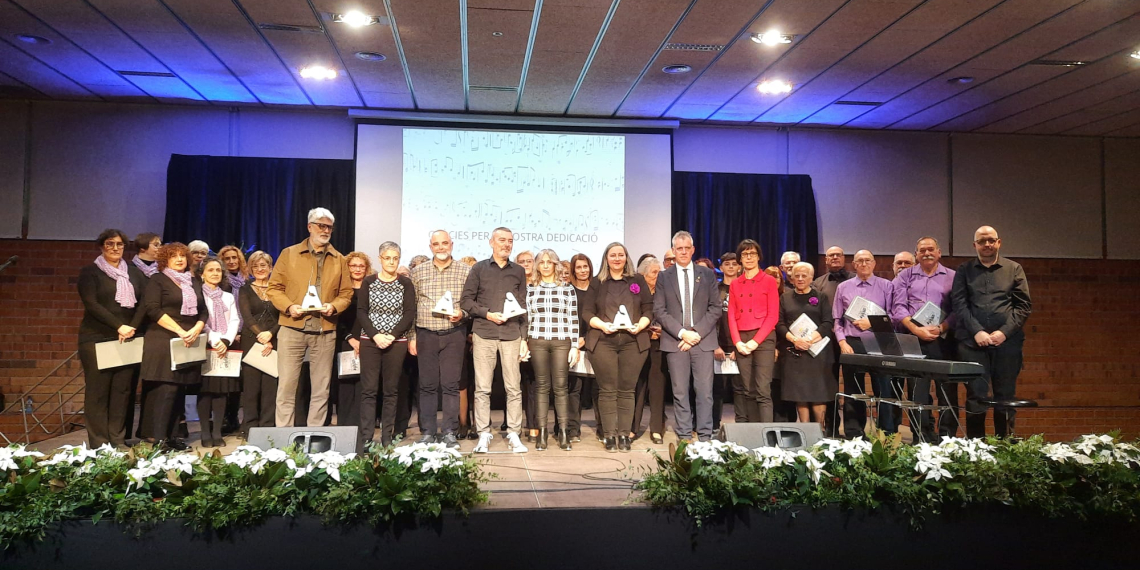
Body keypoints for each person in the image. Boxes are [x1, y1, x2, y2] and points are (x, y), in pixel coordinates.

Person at [267, 207, 354, 428]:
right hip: (292, 327)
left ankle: (314, 437)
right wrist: (289, 307)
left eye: (329, 227)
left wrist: (333, 307)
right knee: (286, 386)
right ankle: (283, 439)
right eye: (321, 225)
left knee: (321, 388)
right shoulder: (289, 254)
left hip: (324, 330)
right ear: (309, 227)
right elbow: (274, 288)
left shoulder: (340, 259)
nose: (325, 230)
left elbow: (346, 294)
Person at [951, 226, 1031, 438]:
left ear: (999, 242)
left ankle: (1004, 448)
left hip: (1007, 344)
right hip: (972, 344)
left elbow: (1023, 307)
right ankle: (976, 447)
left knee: (1005, 397)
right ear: (974, 245)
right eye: (982, 241)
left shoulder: (1014, 269)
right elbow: (959, 304)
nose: (987, 244)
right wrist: (977, 331)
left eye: (991, 240)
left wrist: (1004, 332)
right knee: (976, 397)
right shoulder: (964, 270)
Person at [77, 229, 148, 448]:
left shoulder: (135, 274)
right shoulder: (90, 272)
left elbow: (145, 303)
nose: (115, 248)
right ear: (101, 247)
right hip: (97, 338)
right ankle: (99, 442)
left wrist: (132, 328)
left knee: (122, 391)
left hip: (128, 338)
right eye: (110, 244)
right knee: (98, 392)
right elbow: (92, 304)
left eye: (120, 244)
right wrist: (119, 325)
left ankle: (117, 440)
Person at [462, 227, 529, 454]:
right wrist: (488, 314)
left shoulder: (518, 271)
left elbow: (522, 307)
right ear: (491, 242)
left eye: (510, 241)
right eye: (502, 240)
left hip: (511, 335)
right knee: (483, 388)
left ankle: (513, 433)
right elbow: (466, 301)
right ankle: (483, 433)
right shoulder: (479, 268)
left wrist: (524, 338)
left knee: (513, 387)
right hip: (484, 333)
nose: (506, 244)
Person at [583, 242, 653, 452]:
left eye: (620, 255)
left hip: (633, 342)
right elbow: (587, 312)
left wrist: (640, 325)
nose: (617, 258)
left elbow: (649, 309)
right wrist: (602, 325)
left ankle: (624, 434)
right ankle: (609, 435)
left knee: (627, 389)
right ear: (606, 258)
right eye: (612, 255)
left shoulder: (637, 280)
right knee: (607, 389)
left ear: (626, 258)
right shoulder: (597, 282)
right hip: (603, 342)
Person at [654, 231, 722, 444]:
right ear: (673, 251)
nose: (683, 252)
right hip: (676, 342)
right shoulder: (664, 276)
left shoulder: (707, 274)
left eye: (687, 248)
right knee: (680, 391)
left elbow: (715, 308)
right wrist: (683, 333)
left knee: (704, 392)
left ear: (693, 250)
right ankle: (684, 434)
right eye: (679, 249)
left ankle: (704, 436)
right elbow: (659, 310)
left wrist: (696, 334)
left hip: (703, 341)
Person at [139, 242, 207, 450]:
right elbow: (152, 309)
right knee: (166, 391)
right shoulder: (158, 280)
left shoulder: (193, 281)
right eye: (174, 256)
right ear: (165, 260)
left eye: (182, 256)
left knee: (179, 391)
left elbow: (203, 310)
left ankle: (172, 436)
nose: (179, 259)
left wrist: (196, 328)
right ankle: (158, 440)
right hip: (163, 340)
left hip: (188, 340)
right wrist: (180, 331)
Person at [892, 237, 957, 442]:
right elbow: (898, 307)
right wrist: (915, 329)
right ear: (916, 254)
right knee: (917, 392)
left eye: (931, 249)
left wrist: (941, 327)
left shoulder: (953, 276)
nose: (927, 253)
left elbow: (959, 309)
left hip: (944, 339)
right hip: (914, 340)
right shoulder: (905, 277)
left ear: (939, 252)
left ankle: (947, 438)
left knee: (946, 391)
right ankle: (920, 437)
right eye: (922, 250)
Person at [412, 230, 471, 449]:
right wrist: (411, 337)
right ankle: (427, 432)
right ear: (430, 247)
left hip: (454, 333)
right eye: (436, 244)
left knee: (450, 385)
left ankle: (449, 432)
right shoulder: (418, 272)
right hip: (426, 334)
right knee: (427, 386)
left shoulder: (465, 271)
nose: (441, 247)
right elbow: (413, 304)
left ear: (452, 245)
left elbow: (470, 303)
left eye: (445, 243)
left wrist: (462, 314)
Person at [356, 242, 417, 449]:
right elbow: (362, 311)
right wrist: (375, 336)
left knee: (391, 391)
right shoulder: (368, 282)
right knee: (369, 390)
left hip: (396, 342)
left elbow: (409, 313)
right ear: (381, 259)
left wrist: (391, 335)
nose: (391, 262)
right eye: (387, 258)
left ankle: (386, 437)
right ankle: (366, 437)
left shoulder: (406, 284)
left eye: (395, 258)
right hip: (370, 342)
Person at [834, 250, 898, 437]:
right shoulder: (843, 287)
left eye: (867, 260)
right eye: (859, 261)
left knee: (883, 388)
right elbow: (837, 320)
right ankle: (854, 433)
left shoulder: (886, 286)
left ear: (874, 263)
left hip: (880, 342)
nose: (863, 264)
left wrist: (872, 322)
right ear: (854, 264)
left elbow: (894, 317)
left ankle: (886, 433)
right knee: (853, 390)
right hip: (852, 343)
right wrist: (842, 342)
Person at [525, 249, 580, 450]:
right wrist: (525, 341)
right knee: (541, 386)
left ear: (556, 265)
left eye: (550, 262)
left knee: (560, 387)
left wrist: (574, 345)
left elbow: (573, 318)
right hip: (537, 340)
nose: (546, 265)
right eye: (542, 262)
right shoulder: (530, 289)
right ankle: (542, 432)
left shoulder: (567, 289)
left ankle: (564, 432)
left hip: (561, 341)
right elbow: (527, 318)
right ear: (537, 266)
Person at [727, 240, 780, 423]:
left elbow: (773, 316)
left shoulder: (769, 281)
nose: (748, 257)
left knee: (762, 390)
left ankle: (767, 436)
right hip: (742, 339)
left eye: (752, 254)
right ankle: (752, 433)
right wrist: (737, 342)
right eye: (744, 254)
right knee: (747, 390)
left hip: (763, 339)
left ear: (759, 257)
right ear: (740, 258)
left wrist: (755, 342)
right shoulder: (735, 284)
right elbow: (731, 316)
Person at [777, 262, 834, 427]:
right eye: (797, 276)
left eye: (804, 275)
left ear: (811, 278)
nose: (800, 279)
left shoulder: (821, 297)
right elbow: (780, 324)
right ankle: (805, 430)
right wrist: (796, 340)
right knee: (800, 394)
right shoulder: (785, 298)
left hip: (818, 352)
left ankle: (819, 430)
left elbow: (827, 323)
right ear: (792, 278)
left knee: (818, 393)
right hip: (795, 352)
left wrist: (809, 340)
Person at [196, 257, 240, 448]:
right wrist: (215, 339)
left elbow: (235, 321)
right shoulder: (197, 294)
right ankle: (205, 432)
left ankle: (217, 432)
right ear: (202, 274)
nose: (215, 273)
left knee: (221, 392)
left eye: (218, 270)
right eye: (210, 270)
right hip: (205, 345)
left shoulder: (228, 296)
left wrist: (225, 340)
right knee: (205, 391)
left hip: (224, 347)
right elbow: (200, 321)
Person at [238, 251, 280, 439]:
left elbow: (283, 316)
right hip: (251, 339)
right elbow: (246, 316)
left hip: (275, 339)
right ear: (250, 269)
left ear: (271, 267)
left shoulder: (278, 289)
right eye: (255, 266)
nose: (260, 269)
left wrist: (270, 334)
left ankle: (267, 426)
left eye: (263, 265)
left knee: (271, 386)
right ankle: (249, 426)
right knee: (251, 386)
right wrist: (261, 335)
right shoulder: (245, 289)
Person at [334, 251, 372, 436]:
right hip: (346, 340)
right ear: (347, 268)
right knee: (347, 385)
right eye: (353, 266)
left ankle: (362, 430)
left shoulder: (372, 288)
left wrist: (365, 339)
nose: (357, 269)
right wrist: (350, 338)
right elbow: (337, 319)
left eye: (361, 266)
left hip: (368, 341)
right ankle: (344, 429)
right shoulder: (341, 290)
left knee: (365, 386)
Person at [632, 256, 666, 444]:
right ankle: (633, 428)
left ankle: (656, 429)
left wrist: (663, 331)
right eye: (654, 273)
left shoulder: (664, 292)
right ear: (644, 275)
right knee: (638, 386)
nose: (658, 276)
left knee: (657, 387)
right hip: (638, 342)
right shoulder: (635, 292)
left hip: (660, 344)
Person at [216, 245, 248, 433]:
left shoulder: (247, 281)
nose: (232, 261)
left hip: (244, 333)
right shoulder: (221, 282)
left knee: (239, 379)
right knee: (225, 378)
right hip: (225, 334)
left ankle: (234, 416)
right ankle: (223, 419)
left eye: (235, 258)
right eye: (227, 258)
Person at [567, 253, 594, 443]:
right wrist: (575, 341)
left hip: (595, 342)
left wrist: (587, 337)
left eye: (586, 267)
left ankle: (602, 429)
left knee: (598, 388)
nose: (583, 270)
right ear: (573, 270)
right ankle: (572, 430)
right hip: (572, 345)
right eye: (579, 267)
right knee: (573, 388)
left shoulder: (597, 289)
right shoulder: (568, 290)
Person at [514, 250, 538, 441]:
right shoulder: (513, 285)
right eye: (521, 261)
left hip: (537, 338)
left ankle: (533, 425)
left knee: (534, 384)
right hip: (516, 338)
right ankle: (512, 424)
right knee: (514, 384)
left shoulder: (539, 285)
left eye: (529, 261)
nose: (526, 264)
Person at [716, 253, 742, 424]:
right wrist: (714, 345)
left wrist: (738, 346)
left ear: (739, 267)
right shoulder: (715, 290)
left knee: (740, 388)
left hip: (740, 345)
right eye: (727, 264)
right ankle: (713, 424)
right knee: (717, 388)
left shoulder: (744, 289)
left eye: (734, 264)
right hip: (718, 345)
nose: (731, 267)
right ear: (721, 267)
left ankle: (742, 424)